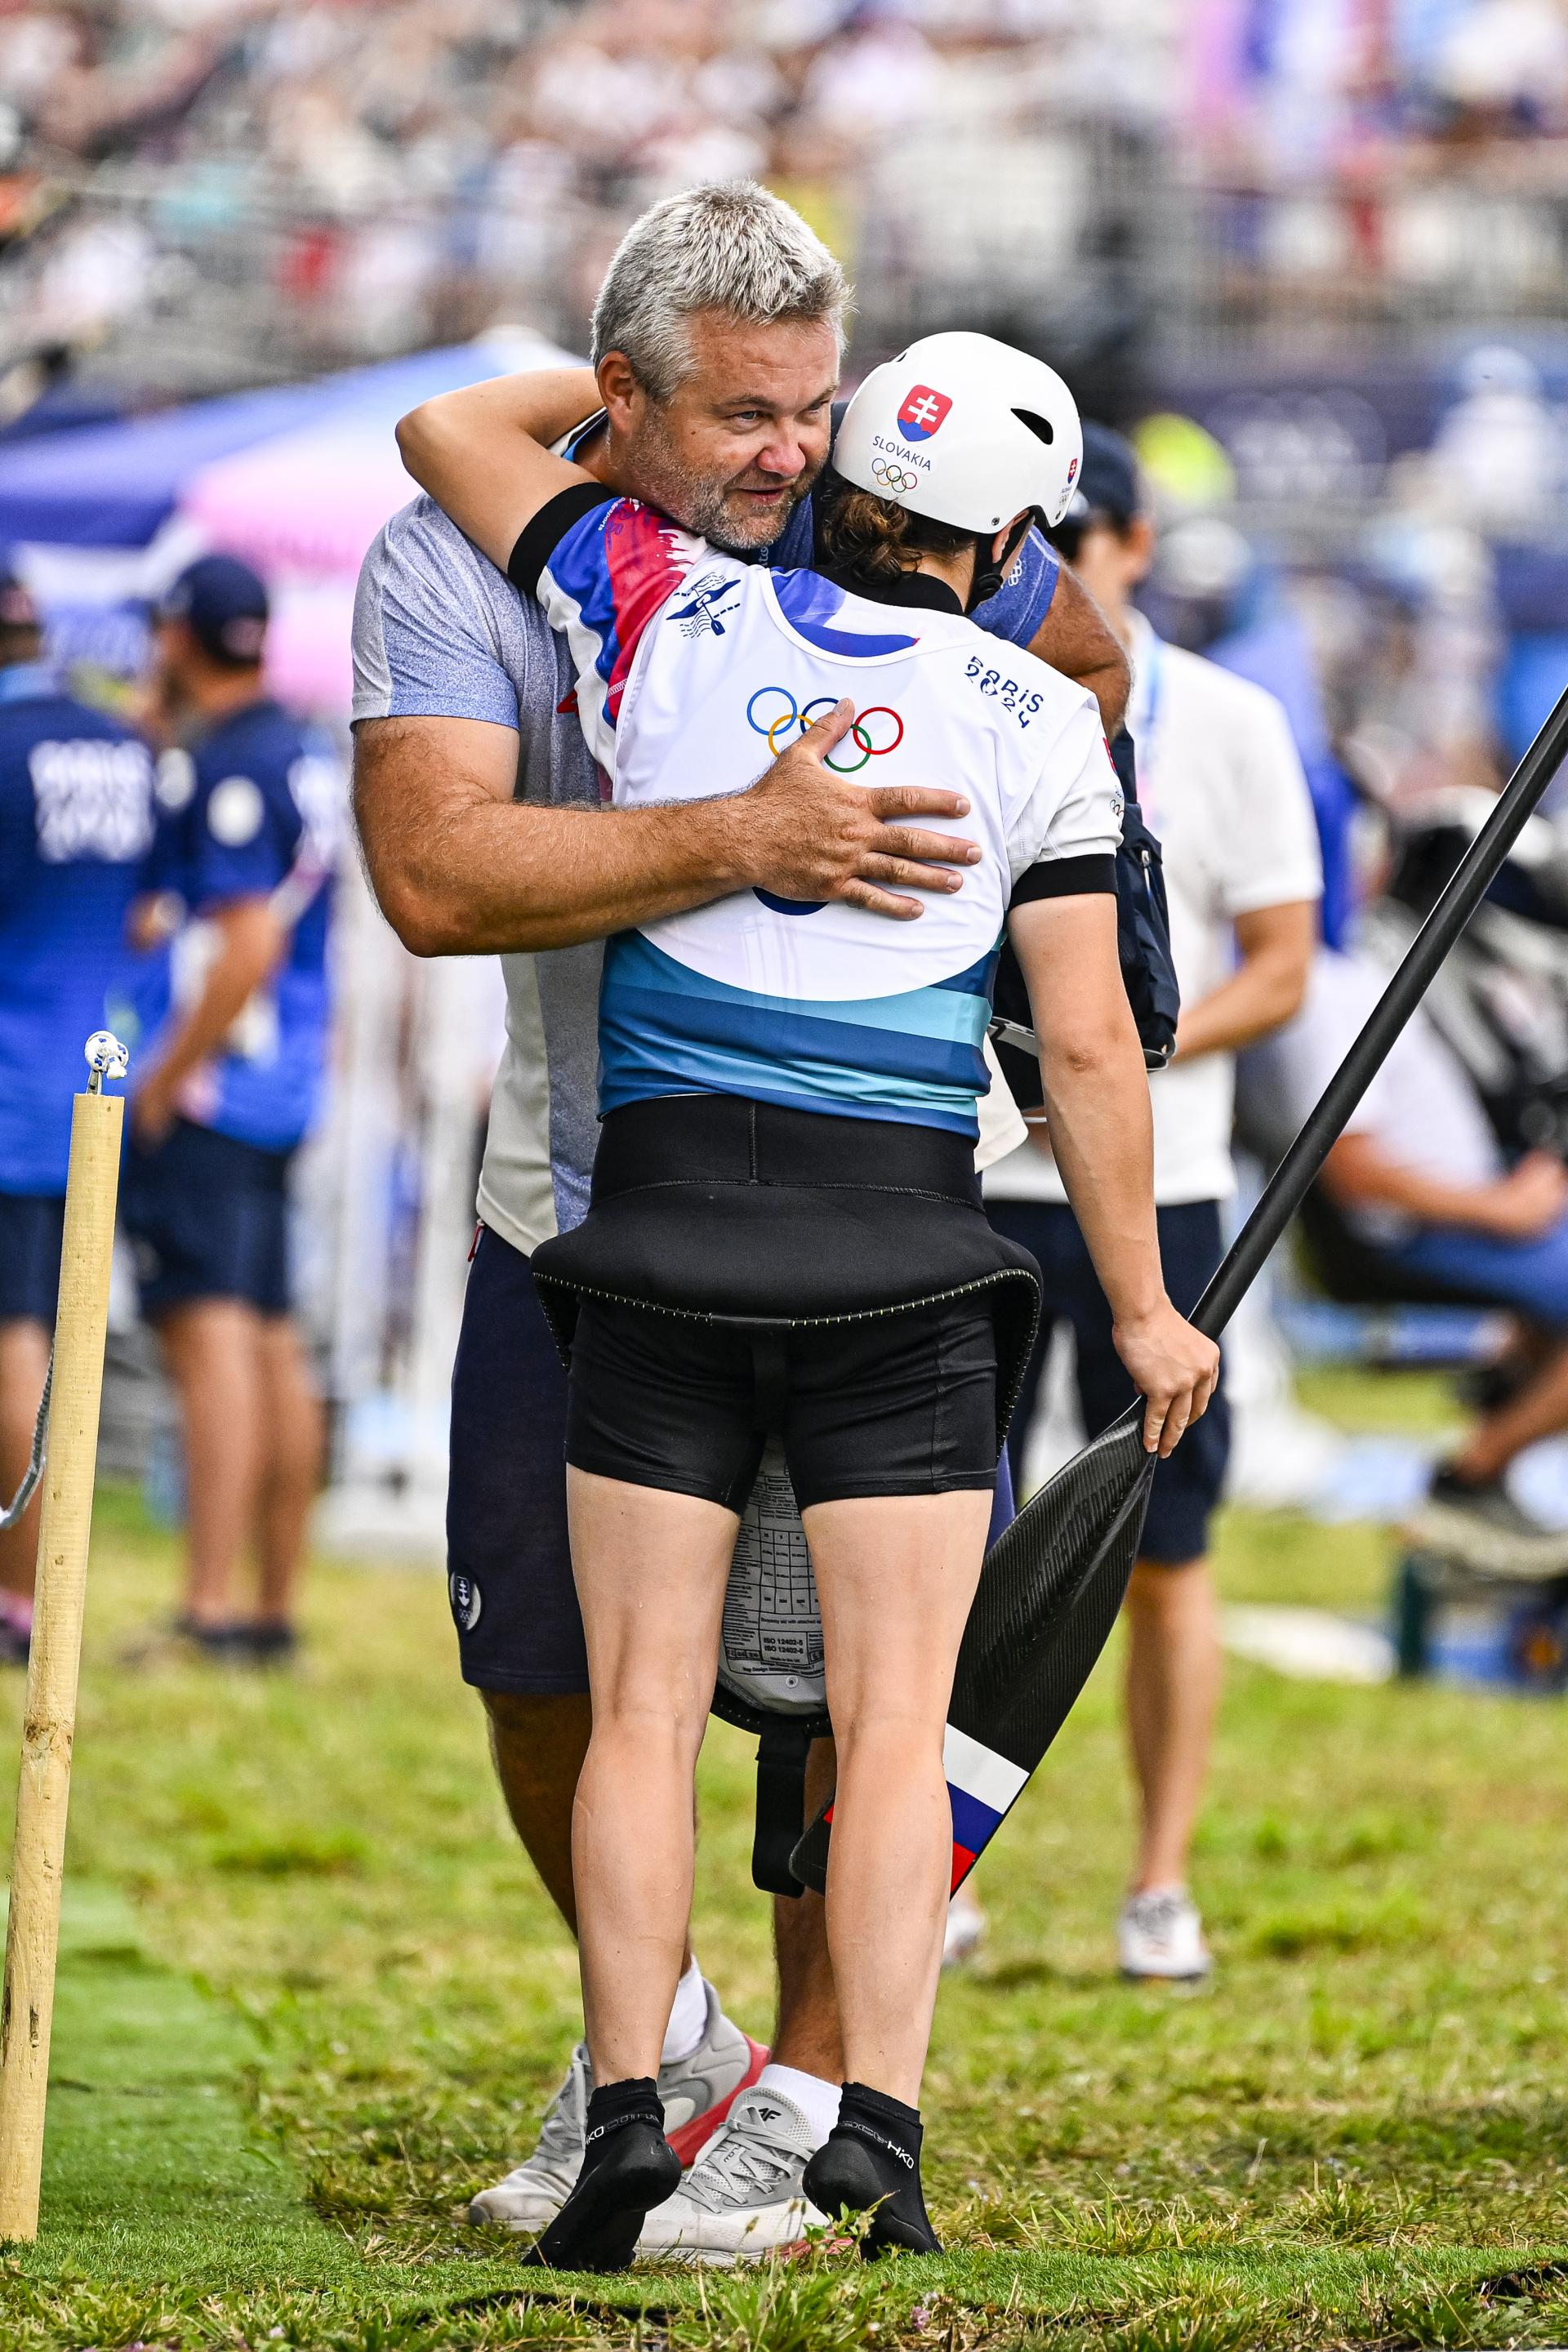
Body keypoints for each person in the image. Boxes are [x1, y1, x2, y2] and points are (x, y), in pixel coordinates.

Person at [352, 180, 1133, 2261]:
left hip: (800, 1224)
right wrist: (758, 834)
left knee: (808, 1711)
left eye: (823, 408)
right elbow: (435, 887)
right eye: (746, 414)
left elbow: (1086, 661)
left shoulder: (778, 562)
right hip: (586, 1207)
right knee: (568, 1670)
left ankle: (784, 2095)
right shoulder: (522, 569)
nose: (793, 450)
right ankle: (700, 2060)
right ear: (621, 405)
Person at [982, 426, 1321, 1984]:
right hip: (982, 1166)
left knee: (1168, 1543)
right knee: (944, 1534)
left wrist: (1123, 1049)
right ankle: (930, 1872)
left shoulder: (1231, 721)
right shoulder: (961, 694)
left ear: (1122, 545)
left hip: (1166, 1178)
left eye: (1066, 551)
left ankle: (1158, 1881)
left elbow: (1282, 961)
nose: (1041, 585)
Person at [119, 555, 340, 1664]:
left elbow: (246, 936)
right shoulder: (294, 749)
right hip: (287, 1084)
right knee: (266, 1337)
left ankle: (211, 1611)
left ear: (177, 636)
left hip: (217, 1088)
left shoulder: (235, 765)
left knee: (214, 1344)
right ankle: (268, 1610)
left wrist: (163, 1078)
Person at [1261, 944, 1568, 1575]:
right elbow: (1354, 1172)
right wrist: (1500, 1208)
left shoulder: (1339, 975)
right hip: (1422, 1233)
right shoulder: (1326, 992)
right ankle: (1470, 1476)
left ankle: (1506, 1390)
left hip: (1465, 1217)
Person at [0, 559, 154, 1664]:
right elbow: (155, 913)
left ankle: (17, 1593)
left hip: (9, 1081)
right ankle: (36, 1586)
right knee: (49, 1332)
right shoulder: (119, 743)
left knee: (13, 1337)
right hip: (84, 1075)